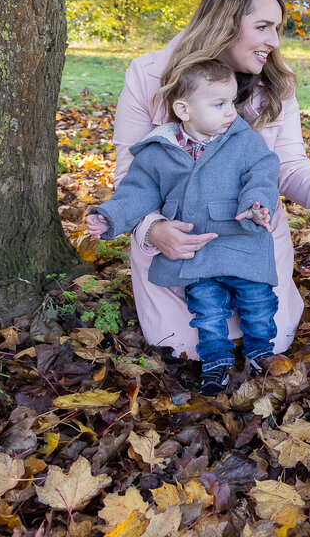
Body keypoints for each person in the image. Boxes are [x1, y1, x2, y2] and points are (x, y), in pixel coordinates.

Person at [112, 0, 310, 360]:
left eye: (277, 29)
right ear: (223, 25)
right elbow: (129, 176)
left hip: (249, 239)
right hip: (179, 244)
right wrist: (153, 229)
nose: (274, 41)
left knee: (270, 341)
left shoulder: (275, 85)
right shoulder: (148, 76)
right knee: (184, 348)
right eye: (262, 27)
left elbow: (288, 170)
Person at [88, 59, 280, 394]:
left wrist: (256, 205)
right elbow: (137, 191)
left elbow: (262, 172)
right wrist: (110, 216)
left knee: (258, 301)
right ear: (184, 109)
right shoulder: (160, 150)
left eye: (232, 102)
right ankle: (215, 361)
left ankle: (259, 351)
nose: (230, 112)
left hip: (240, 243)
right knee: (206, 310)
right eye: (218, 104)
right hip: (196, 251)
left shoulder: (244, 141)